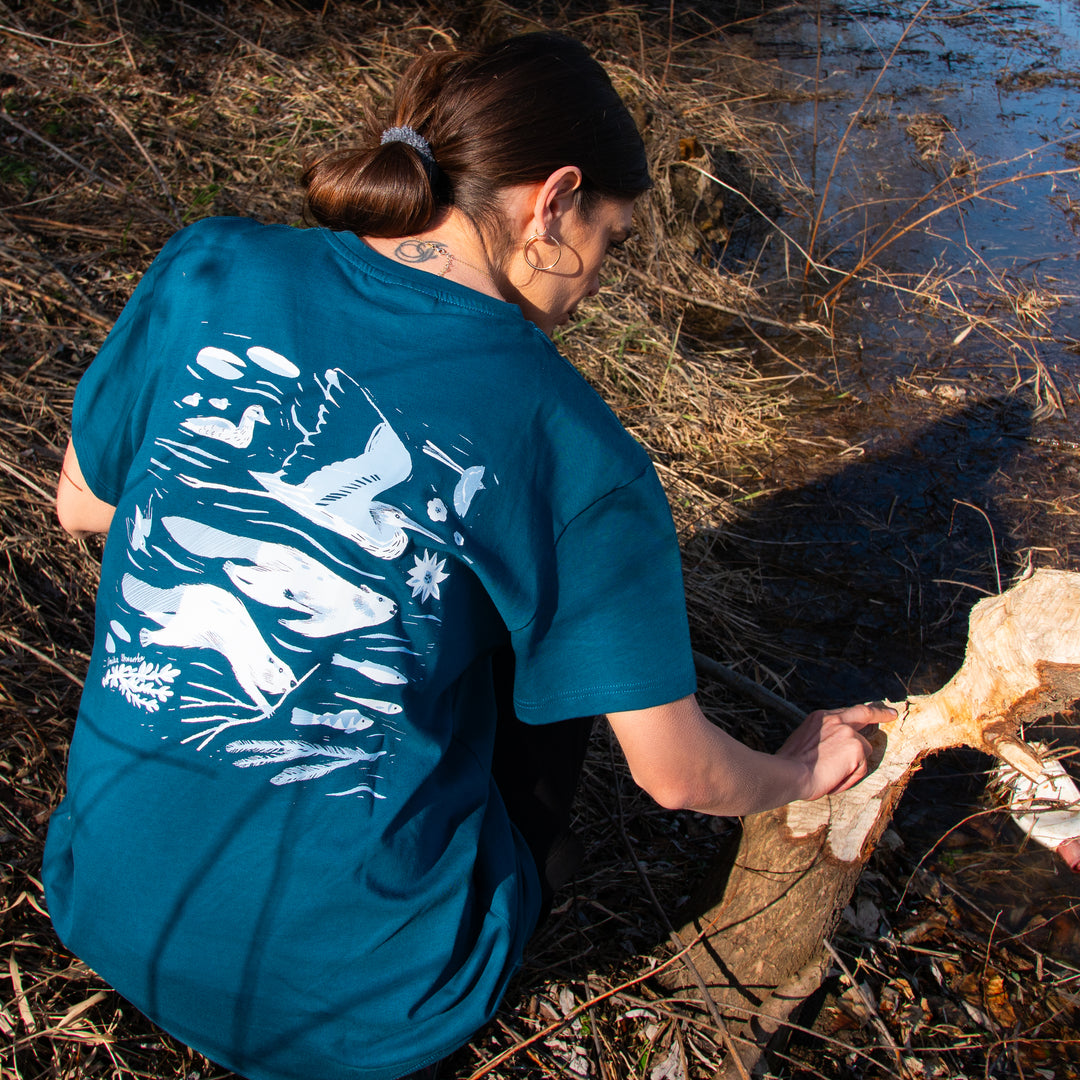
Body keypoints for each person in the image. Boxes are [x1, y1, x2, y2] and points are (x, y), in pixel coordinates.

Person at [45, 31, 888, 1080]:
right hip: (370, 1008)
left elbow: (84, 503)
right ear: (552, 203)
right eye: (611, 241)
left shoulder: (211, 264)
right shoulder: (573, 441)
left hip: (108, 906)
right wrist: (798, 771)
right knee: (549, 645)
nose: (596, 283)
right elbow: (676, 780)